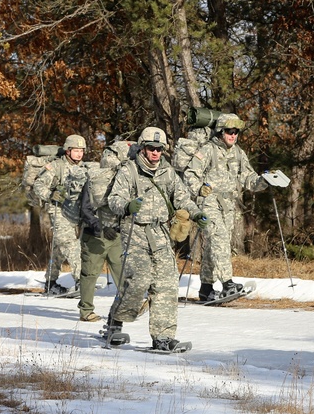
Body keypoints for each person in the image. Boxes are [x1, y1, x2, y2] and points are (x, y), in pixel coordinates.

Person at [106, 127, 206, 351]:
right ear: (142, 148)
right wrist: (126, 206)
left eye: (159, 149)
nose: (155, 153)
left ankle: (163, 336)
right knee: (139, 280)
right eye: (151, 148)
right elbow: (114, 199)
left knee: (167, 284)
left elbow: (182, 198)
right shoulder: (129, 171)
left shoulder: (168, 172)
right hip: (135, 231)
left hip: (160, 233)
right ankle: (115, 321)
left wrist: (196, 212)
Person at [182, 112, 268, 301]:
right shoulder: (207, 150)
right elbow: (190, 175)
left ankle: (206, 288)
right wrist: (200, 189)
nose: (233, 135)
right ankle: (228, 284)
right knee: (219, 238)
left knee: (216, 245)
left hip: (228, 204)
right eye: (229, 131)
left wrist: (265, 180)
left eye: (236, 132)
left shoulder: (238, 152)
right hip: (209, 201)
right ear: (221, 132)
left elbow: (249, 178)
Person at [33, 134, 89, 296]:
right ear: (67, 151)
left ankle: (50, 283)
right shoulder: (56, 166)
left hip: (77, 213)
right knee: (70, 244)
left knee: (58, 248)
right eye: (76, 150)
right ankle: (81, 281)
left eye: (81, 151)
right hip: (58, 212)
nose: (79, 154)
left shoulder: (85, 167)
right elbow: (38, 185)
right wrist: (51, 195)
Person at [77, 143, 125, 322]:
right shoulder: (94, 179)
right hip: (95, 236)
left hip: (117, 235)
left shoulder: (124, 180)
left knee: (122, 271)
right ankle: (86, 310)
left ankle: (126, 307)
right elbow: (85, 209)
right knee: (90, 273)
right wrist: (101, 227)